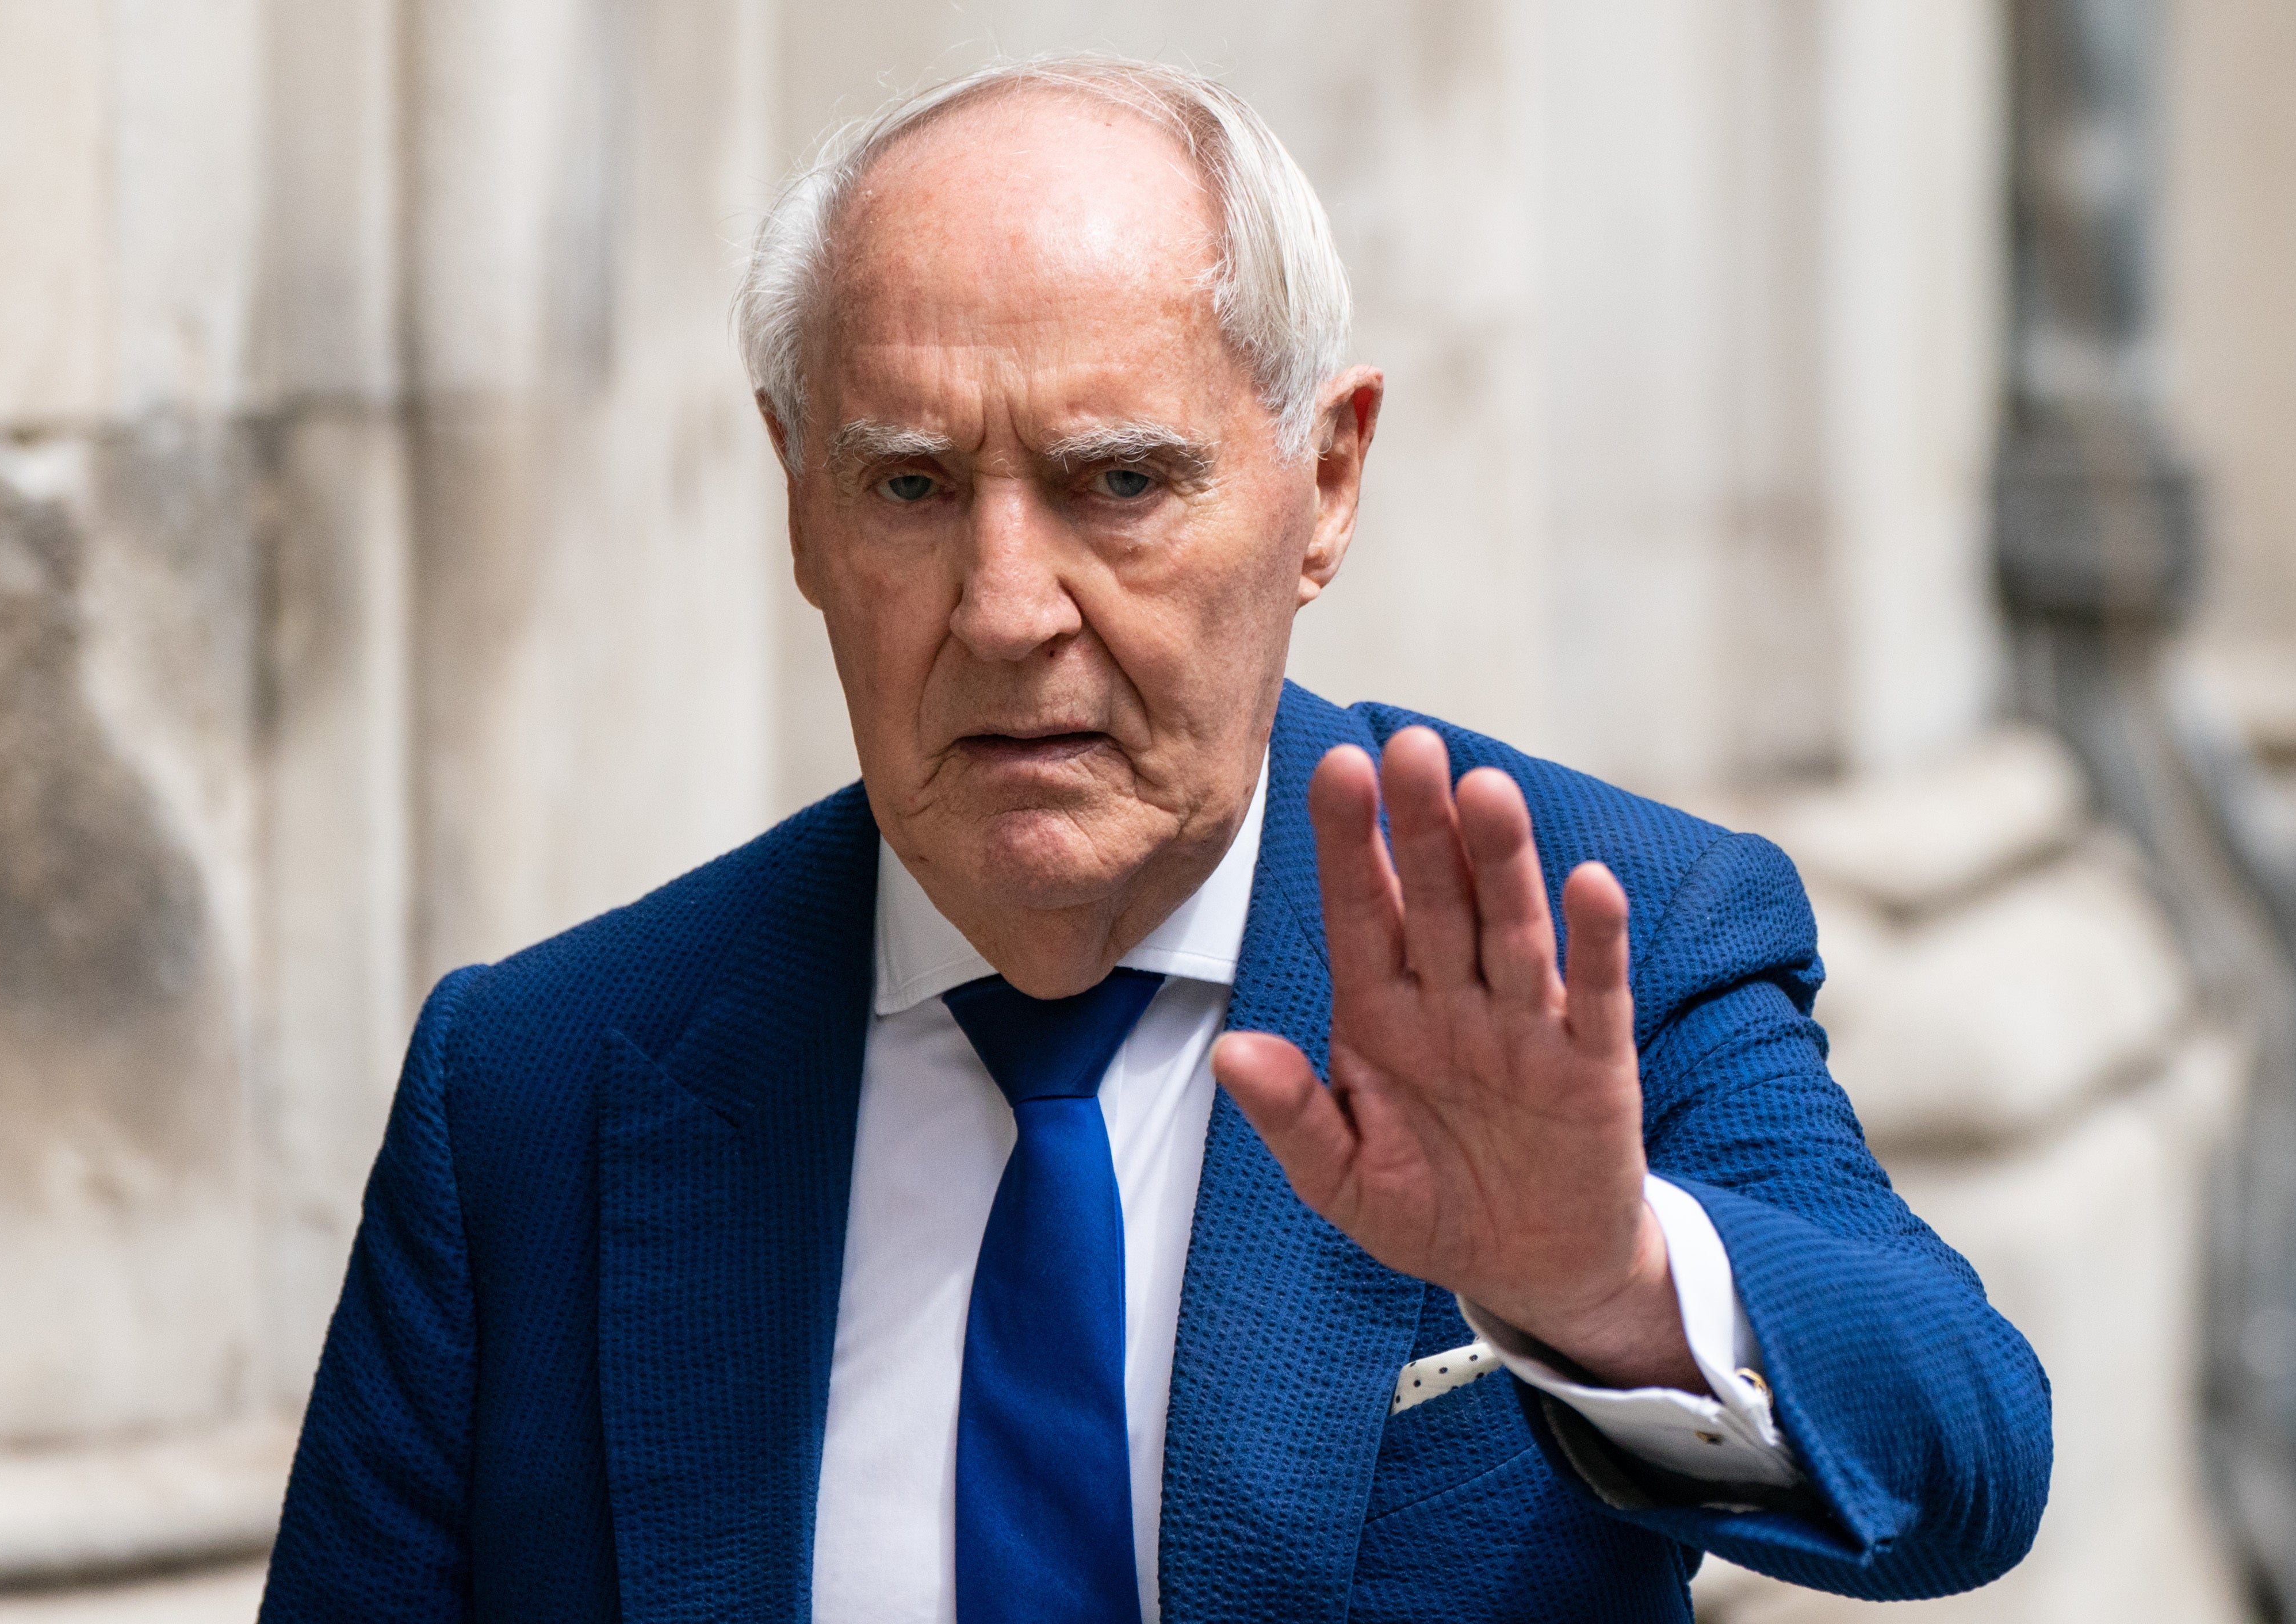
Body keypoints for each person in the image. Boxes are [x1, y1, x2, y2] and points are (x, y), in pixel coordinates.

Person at [260, 54, 2049, 1623]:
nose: (1007, 604)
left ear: (1324, 482)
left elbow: (1962, 1453)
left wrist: (1597, 1283)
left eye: (1120, 483)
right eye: (910, 487)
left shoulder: (1592, 938)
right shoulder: (536, 1085)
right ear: (799, 509)